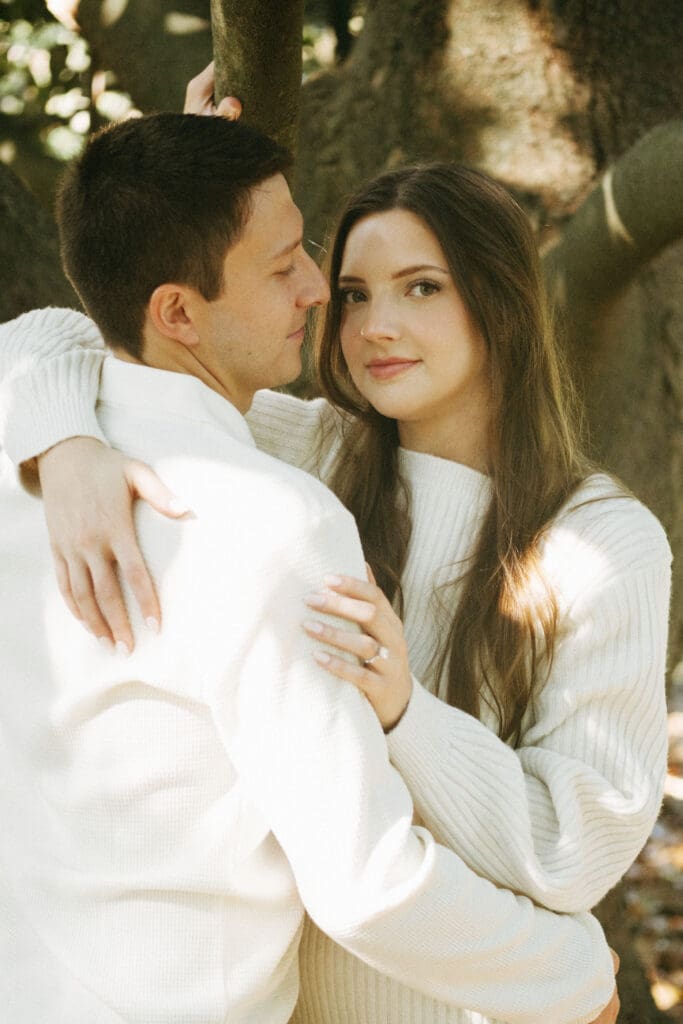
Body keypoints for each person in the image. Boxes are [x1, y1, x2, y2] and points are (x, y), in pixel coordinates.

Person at [0, 110, 623, 1024]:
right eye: (282, 262)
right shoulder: (270, 522)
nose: (315, 290)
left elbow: (51, 332)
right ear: (177, 312)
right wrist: (574, 978)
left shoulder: (32, 446)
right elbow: (364, 881)